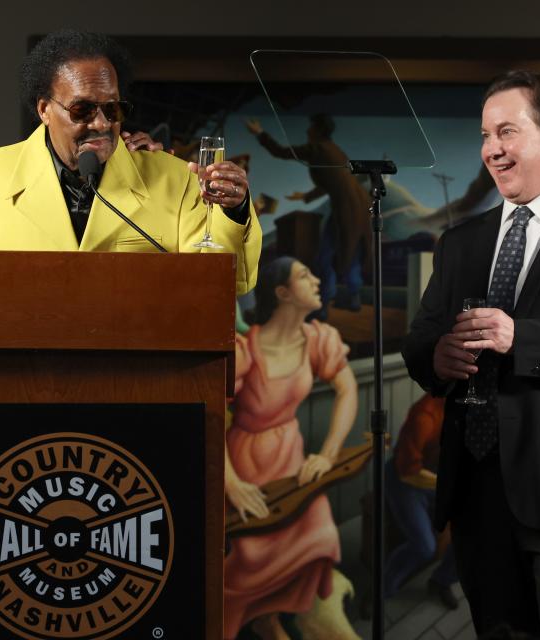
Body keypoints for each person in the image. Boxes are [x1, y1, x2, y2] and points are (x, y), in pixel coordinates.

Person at [403, 70, 540, 639]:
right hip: (476, 500)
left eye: (507, 132)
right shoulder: (461, 241)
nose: (492, 149)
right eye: (486, 135)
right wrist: (435, 357)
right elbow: (420, 344)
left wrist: (521, 339)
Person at [0, 30, 261, 295]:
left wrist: (233, 210)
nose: (101, 123)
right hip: (23, 368)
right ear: (44, 109)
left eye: (113, 109)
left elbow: (217, 287)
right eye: (82, 110)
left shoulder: (175, 179)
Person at [224, 256, 359, 640]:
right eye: (305, 275)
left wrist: (328, 453)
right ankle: (262, 623)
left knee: (320, 539)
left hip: (293, 462)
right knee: (247, 565)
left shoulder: (318, 339)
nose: (317, 280)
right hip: (245, 467)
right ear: (282, 292)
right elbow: (209, 412)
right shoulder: (245, 349)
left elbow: (347, 389)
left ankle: (279, 620)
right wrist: (231, 484)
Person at [246, 114, 372, 314]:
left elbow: (282, 152)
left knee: (326, 255)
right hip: (358, 207)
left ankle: (323, 302)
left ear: (318, 131)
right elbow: (334, 181)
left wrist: (260, 133)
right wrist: (306, 196)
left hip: (346, 209)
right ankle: (352, 296)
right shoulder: (336, 151)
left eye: (311, 129)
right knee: (352, 250)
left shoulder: (318, 148)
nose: (307, 132)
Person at [383, 393, 459, 609]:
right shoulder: (425, 415)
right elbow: (408, 472)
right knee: (424, 546)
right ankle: (383, 588)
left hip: (439, 478)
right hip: (406, 480)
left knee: (472, 531)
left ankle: (441, 580)